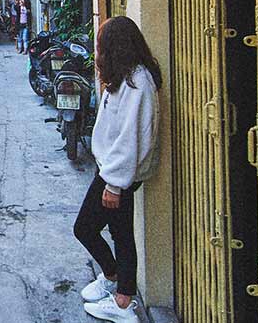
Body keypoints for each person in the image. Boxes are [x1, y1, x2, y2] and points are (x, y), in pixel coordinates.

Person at [73, 16, 162, 323]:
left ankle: (122, 299)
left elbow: (130, 138)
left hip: (117, 174)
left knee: (85, 227)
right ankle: (121, 290)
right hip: (114, 170)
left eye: (101, 45)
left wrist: (114, 183)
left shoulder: (138, 83)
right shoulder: (129, 77)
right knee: (121, 231)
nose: (98, 51)